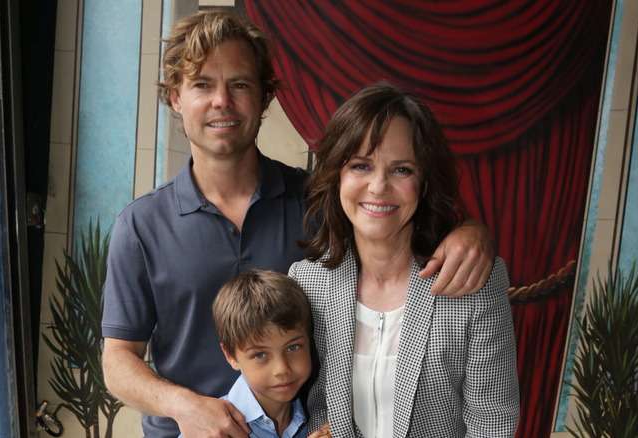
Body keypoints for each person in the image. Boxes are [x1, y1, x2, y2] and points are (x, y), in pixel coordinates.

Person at [101, 10, 494, 438]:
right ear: (176, 98)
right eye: (202, 85)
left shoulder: (320, 200)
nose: (221, 101)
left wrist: (473, 232)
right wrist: (183, 406)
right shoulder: (140, 226)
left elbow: (401, 219)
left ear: (265, 97)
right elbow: (119, 359)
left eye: (240, 84)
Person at [289, 82, 520, 437]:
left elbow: (493, 424)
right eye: (361, 166)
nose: (378, 186)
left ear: (424, 183)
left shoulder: (474, 285)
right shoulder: (306, 284)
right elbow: (282, 402)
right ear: (337, 175)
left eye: (402, 170)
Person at [200, 269, 331, 438]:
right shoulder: (210, 429)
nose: (282, 369)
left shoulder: (321, 418)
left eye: (293, 347)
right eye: (260, 355)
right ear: (230, 356)